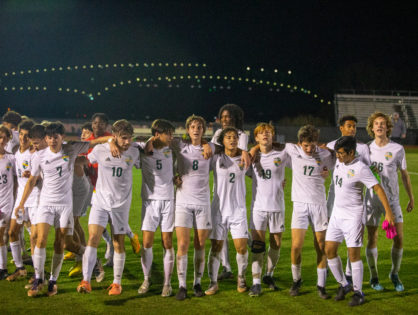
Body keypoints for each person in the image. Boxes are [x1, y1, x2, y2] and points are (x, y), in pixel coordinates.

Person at [15, 122, 111, 297]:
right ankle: (38, 279)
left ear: (62, 137)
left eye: (56, 137)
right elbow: (32, 181)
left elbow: (94, 142)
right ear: (46, 138)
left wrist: (113, 139)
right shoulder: (39, 156)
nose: (52, 140)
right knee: (40, 240)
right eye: (49, 137)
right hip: (45, 203)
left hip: (65, 205)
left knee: (62, 243)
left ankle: (53, 280)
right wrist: (21, 204)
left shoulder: (71, 149)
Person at [325, 136, 395, 306]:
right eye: (337, 153)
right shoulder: (340, 162)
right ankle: (344, 284)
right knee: (329, 251)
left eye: (341, 153)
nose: (338, 156)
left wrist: (388, 213)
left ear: (351, 152)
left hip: (353, 217)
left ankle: (359, 292)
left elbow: (378, 188)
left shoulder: (361, 168)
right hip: (336, 214)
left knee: (353, 255)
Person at [77, 119, 140, 296]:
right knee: (93, 239)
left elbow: (150, 147)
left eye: (130, 138)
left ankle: (116, 283)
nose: (127, 142)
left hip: (121, 205)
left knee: (117, 242)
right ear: (115, 136)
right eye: (123, 138)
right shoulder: (100, 150)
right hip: (100, 202)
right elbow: (86, 159)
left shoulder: (135, 151)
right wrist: (72, 160)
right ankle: (86, 280)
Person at [364, 111, 414, 291]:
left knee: (399, 239)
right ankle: (374, 277)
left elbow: (404, 175)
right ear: (371, 128)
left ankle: (394, 273)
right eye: (376, 123)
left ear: (387, 127)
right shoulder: (366, 149)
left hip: (392, 201)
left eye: (382, 123)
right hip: (372, 201)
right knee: (372, 238)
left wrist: (411, 197)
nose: (379, 126)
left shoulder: (397, 149)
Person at [285, 125, 334, 298]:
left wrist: (326, 170)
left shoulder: (325, 154)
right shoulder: (292, 150)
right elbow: (275, 146)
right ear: (299, 143)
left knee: (321, 245)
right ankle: (296, 280)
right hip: (299, 205)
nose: (309, 149)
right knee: (296, 246)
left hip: (319, 204)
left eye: (312, 145)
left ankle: (321, 285)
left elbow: (335, 158)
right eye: (306, 145)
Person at [167, 116, 213, 300]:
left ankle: (197, 283)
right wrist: (172, 175)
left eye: (199, 127)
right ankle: (182, 286)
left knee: (200, 244)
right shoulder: (179, 145)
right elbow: (159, 141)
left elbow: (232, 146)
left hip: (203, 203)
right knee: (183, 245)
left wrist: (206, 143)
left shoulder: (211, 147)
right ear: (187, 129)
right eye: (193, 127)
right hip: (183, 202)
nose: (196, 129)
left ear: (204, 130)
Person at [326, 115, 370, 283]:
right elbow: (322, 158)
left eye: (354, 126)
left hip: (353, 199)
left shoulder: (362, 147)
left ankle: (349, 272)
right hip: (334, 196)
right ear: (341, 128)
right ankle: (331, 268)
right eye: (349, 126)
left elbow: (367, 170)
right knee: (331, 236)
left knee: (354, 239)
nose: (352, 129)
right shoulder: (332, 145)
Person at [206, 127, 249, 296]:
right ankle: (213, 282)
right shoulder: (216, 158)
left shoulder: (245, 158)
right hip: (218, 211)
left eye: (235, 137)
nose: (232, 140)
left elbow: (261, 173)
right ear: (222, 141)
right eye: (228, 137)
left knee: (241, 248)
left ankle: (241, 277)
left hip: (238, 210)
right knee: (216, 247)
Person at [247, 123, 289, 297]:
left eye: (269, 132)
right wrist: (253, 150)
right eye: (261, 133)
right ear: (256, 138)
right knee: (258, 245)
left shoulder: (282, 154)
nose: (265, 134)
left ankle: (268, 275)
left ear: (273, 136)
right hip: (259, 207)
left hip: (277, 206)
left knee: (276, 244)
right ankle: (256, 283)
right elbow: (244, 172)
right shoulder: (252, 158)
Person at [136, 119, 176, 297]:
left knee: (167, 242)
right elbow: (128, 140)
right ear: (157, 134)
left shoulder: (172, 149)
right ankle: (147, 278)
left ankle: (167, 283)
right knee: (146, 243)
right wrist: (148, 142)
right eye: (168, 133)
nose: (172, 137)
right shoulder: (143, 149)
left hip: (168, 199)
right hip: (150, 201)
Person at [6, 119, 38, 281]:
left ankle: (39, 274)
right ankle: (20, 268)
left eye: (28, 136)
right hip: (20, 199)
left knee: (34, 238)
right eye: (22, 135)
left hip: (33, 201)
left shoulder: (34, 154)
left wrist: (33, 176)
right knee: (12, 232)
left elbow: (37, 180)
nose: (24, 139)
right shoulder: (16, 151)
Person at [0, 125, 16, 280]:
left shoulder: (11, 158)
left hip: (6, 202)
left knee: (3, 235)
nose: (1, 140)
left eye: (4, 137)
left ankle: (3, 268)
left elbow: (18, 180)